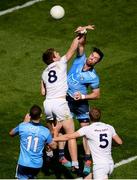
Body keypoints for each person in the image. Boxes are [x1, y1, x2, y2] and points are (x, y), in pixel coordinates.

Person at [40, 25, 95, 172]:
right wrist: (81, 32)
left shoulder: (44, 73)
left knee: (54, 131)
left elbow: (42, 91)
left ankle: (49, 151)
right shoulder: (61, 63)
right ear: (53, 58)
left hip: (48, 104)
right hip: (59, 102)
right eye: (57, 53)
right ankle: (76, 164)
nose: (59, 54)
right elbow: (73, 47)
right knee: (71, 133)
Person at [66, 25, 104, 175]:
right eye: (92, 55)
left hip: (81, 104)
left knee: (85, 132)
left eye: (95, 58)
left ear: (96, 62)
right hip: (67, 99)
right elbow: (81, 44)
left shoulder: (93, 77)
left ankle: (88, 160)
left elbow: (97, 94)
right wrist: (84, 32)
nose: (92, 58)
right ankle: (63, 157)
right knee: (65, 127)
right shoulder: (80, 58)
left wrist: (83, 96)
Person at [53, 107, 123, 179]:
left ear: (89, 117)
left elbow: (68, 137)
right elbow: (119, 142)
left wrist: (55, 136)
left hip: (100, 167)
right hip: (110, 164)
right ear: (100, 116)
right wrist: (111, 144)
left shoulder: (87, 129)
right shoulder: (109, 127)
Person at [9, 105, 57, 179]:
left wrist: (24, 122)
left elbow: (11, 133)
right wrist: (54, 133)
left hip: (23, 163)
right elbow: (54, 146)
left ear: (29, 115)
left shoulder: (22, 126)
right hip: (36, 164)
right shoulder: (45, 131)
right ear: (41, 115)